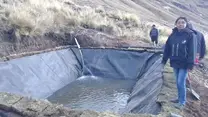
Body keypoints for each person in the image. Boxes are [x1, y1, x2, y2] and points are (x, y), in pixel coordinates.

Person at [161, 17, 196, 109]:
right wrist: (164, 59)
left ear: (186, 24)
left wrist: (190, 64)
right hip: (175, 62)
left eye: (183, 22)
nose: (181, 24)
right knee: (177, 81)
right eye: (179, 23)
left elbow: (192, 51)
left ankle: (182, 102)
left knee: (181, 82)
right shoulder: (173, 35)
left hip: (184, 63)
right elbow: (167, 48)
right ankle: (179, 97)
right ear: (176, 24)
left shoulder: (190, 35)